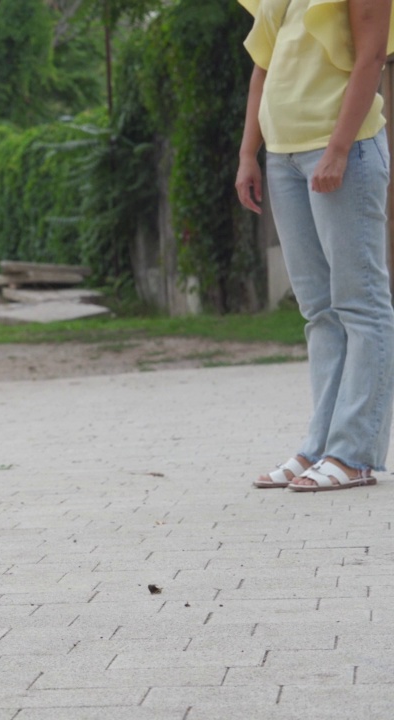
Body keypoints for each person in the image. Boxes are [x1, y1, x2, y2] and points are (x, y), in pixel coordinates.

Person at [236, 0, 394, 491]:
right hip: (283, 156)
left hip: (339, 151)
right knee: (319, 311)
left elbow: (371, 60)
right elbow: (264, 66)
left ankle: (354, 454)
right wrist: (248, 153)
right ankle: (320, 445)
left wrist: (339, 149)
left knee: (360, 303)